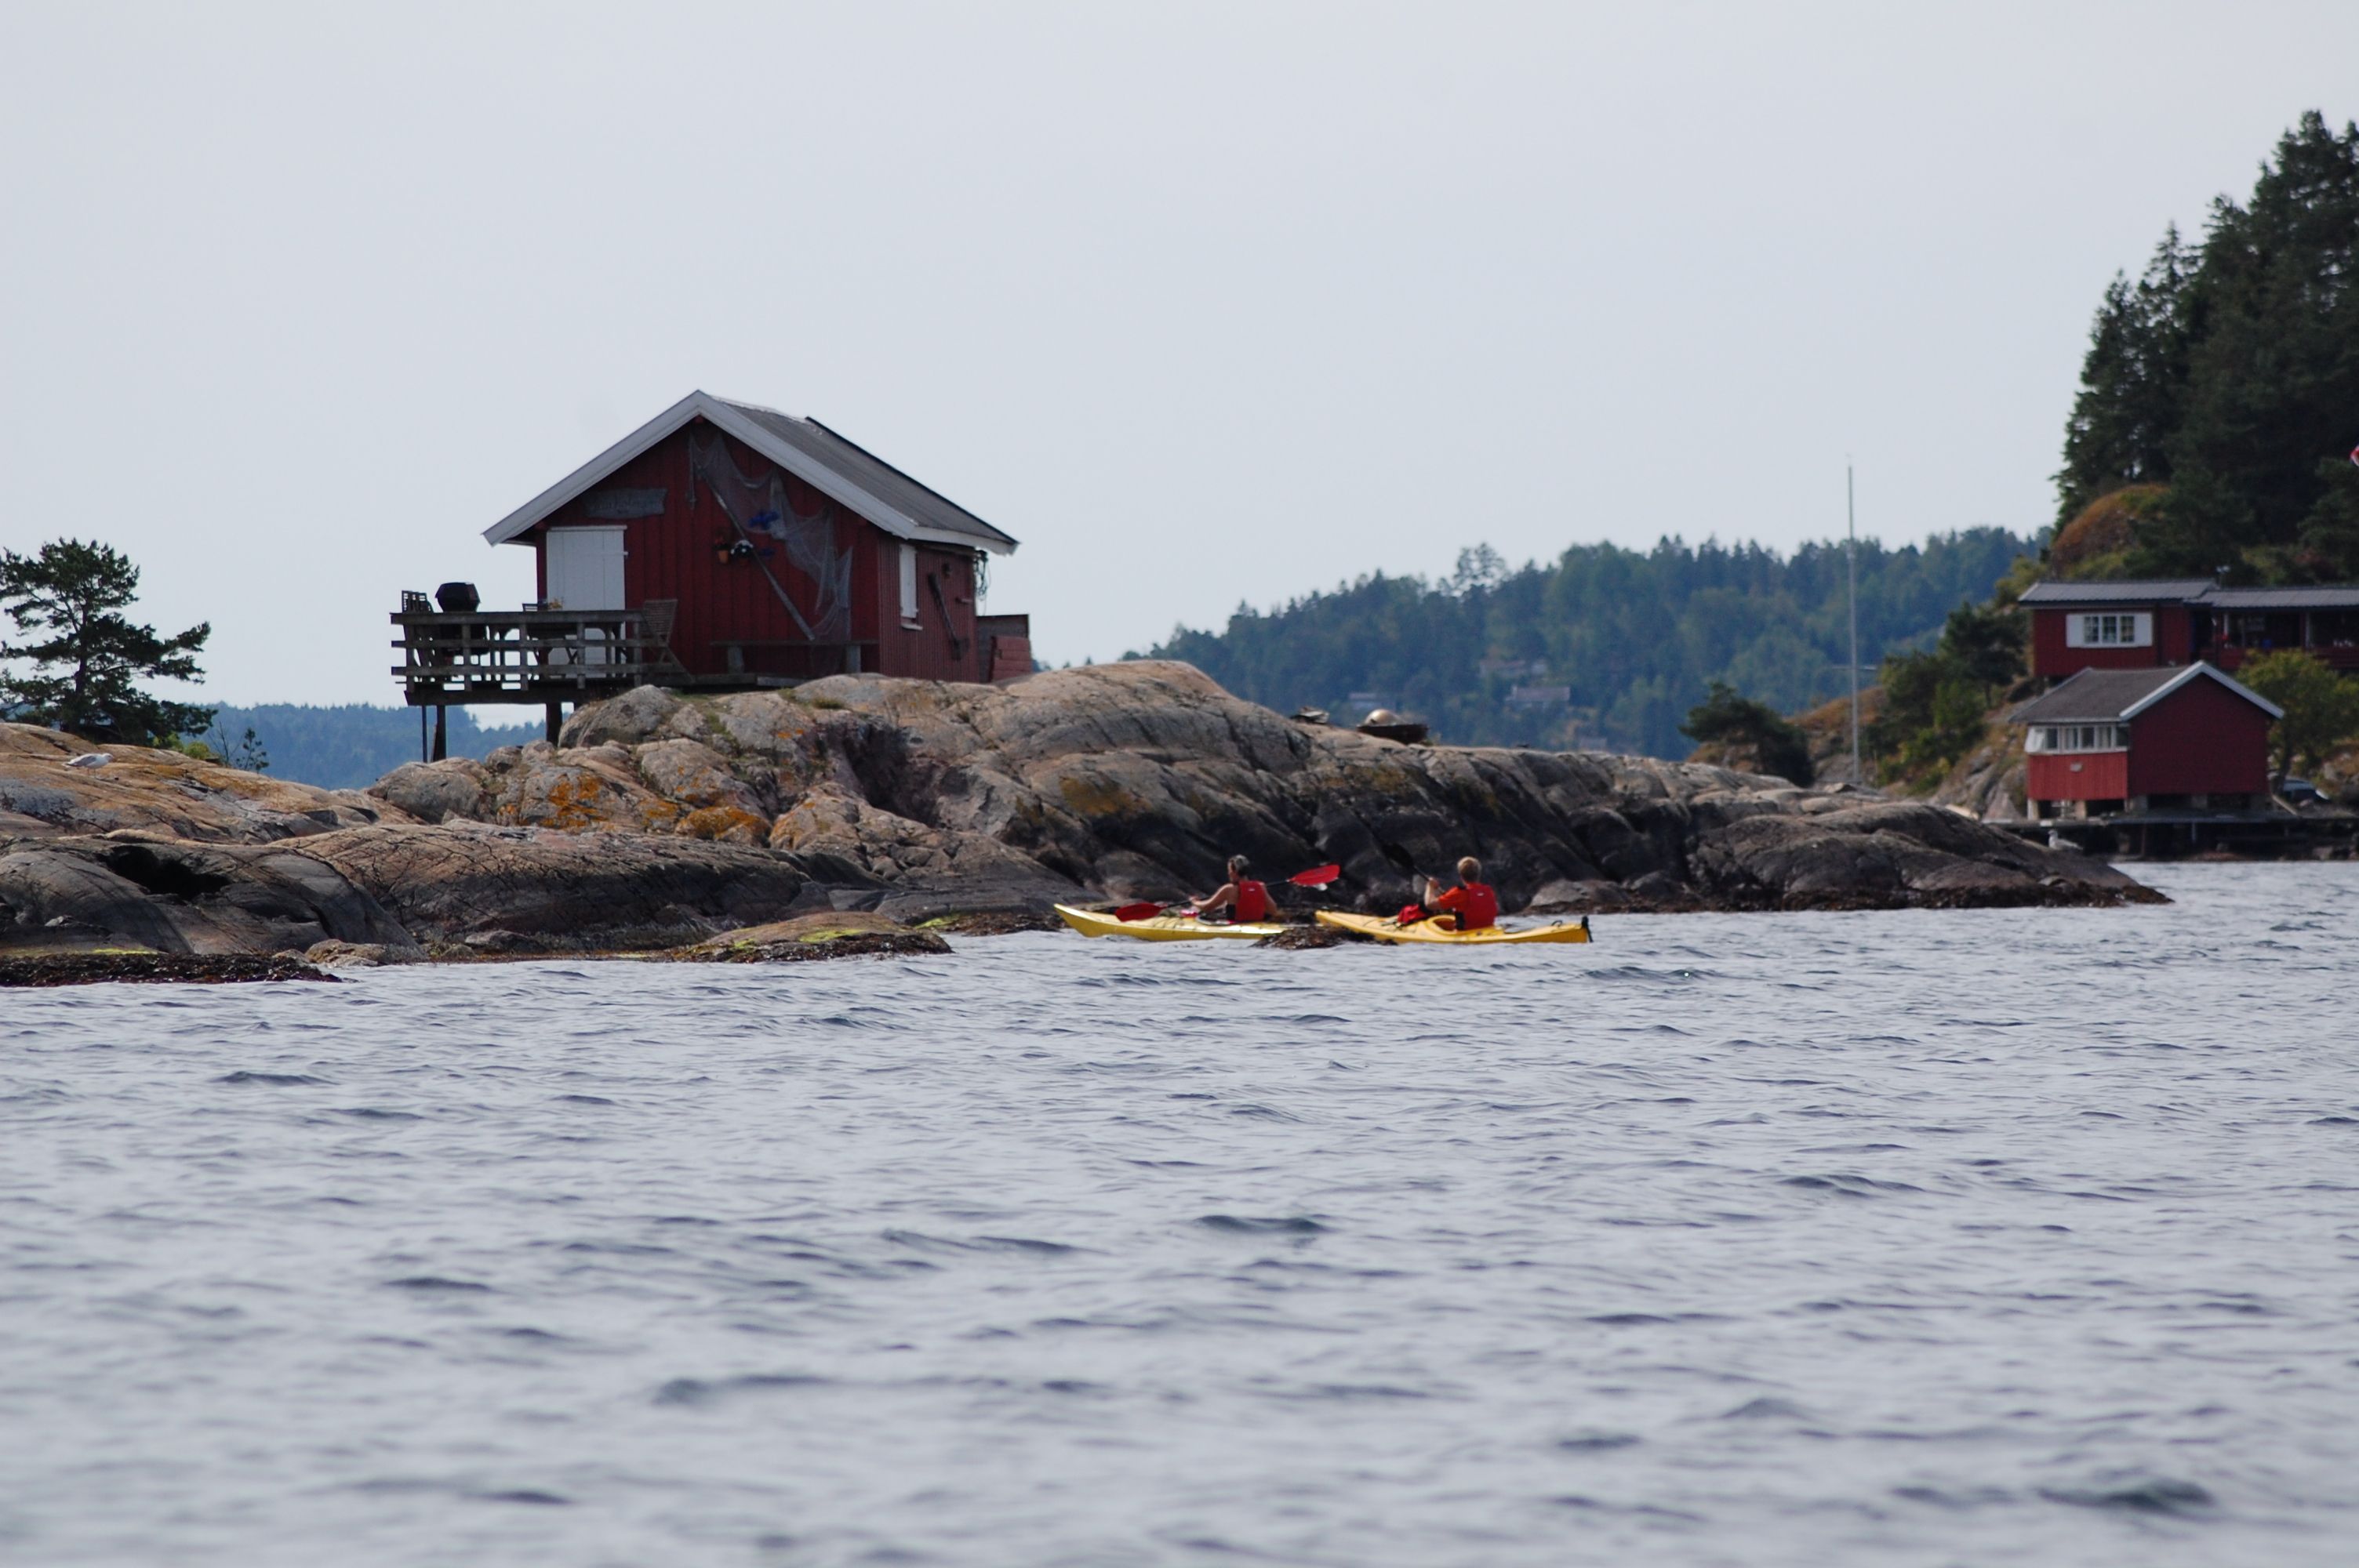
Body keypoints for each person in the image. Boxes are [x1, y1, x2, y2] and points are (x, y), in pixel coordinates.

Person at [1417, 855, 1499, 931]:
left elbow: (1430, 905)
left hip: (1466, 933)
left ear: (1461, 875)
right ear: (1479, 874)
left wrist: (1430, 887)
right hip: (1489, 930)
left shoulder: (1459, 892)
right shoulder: (1489, 890)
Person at [1191, 856, 1271, 924]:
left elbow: (1207, 907)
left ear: (1235, 872)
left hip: (1236, 926)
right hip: (1257, 924)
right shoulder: (1261, 886)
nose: (1228, 873)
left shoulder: (1229, 889)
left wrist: (1195, 902)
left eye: (1229, 871)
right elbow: (1273, 910)